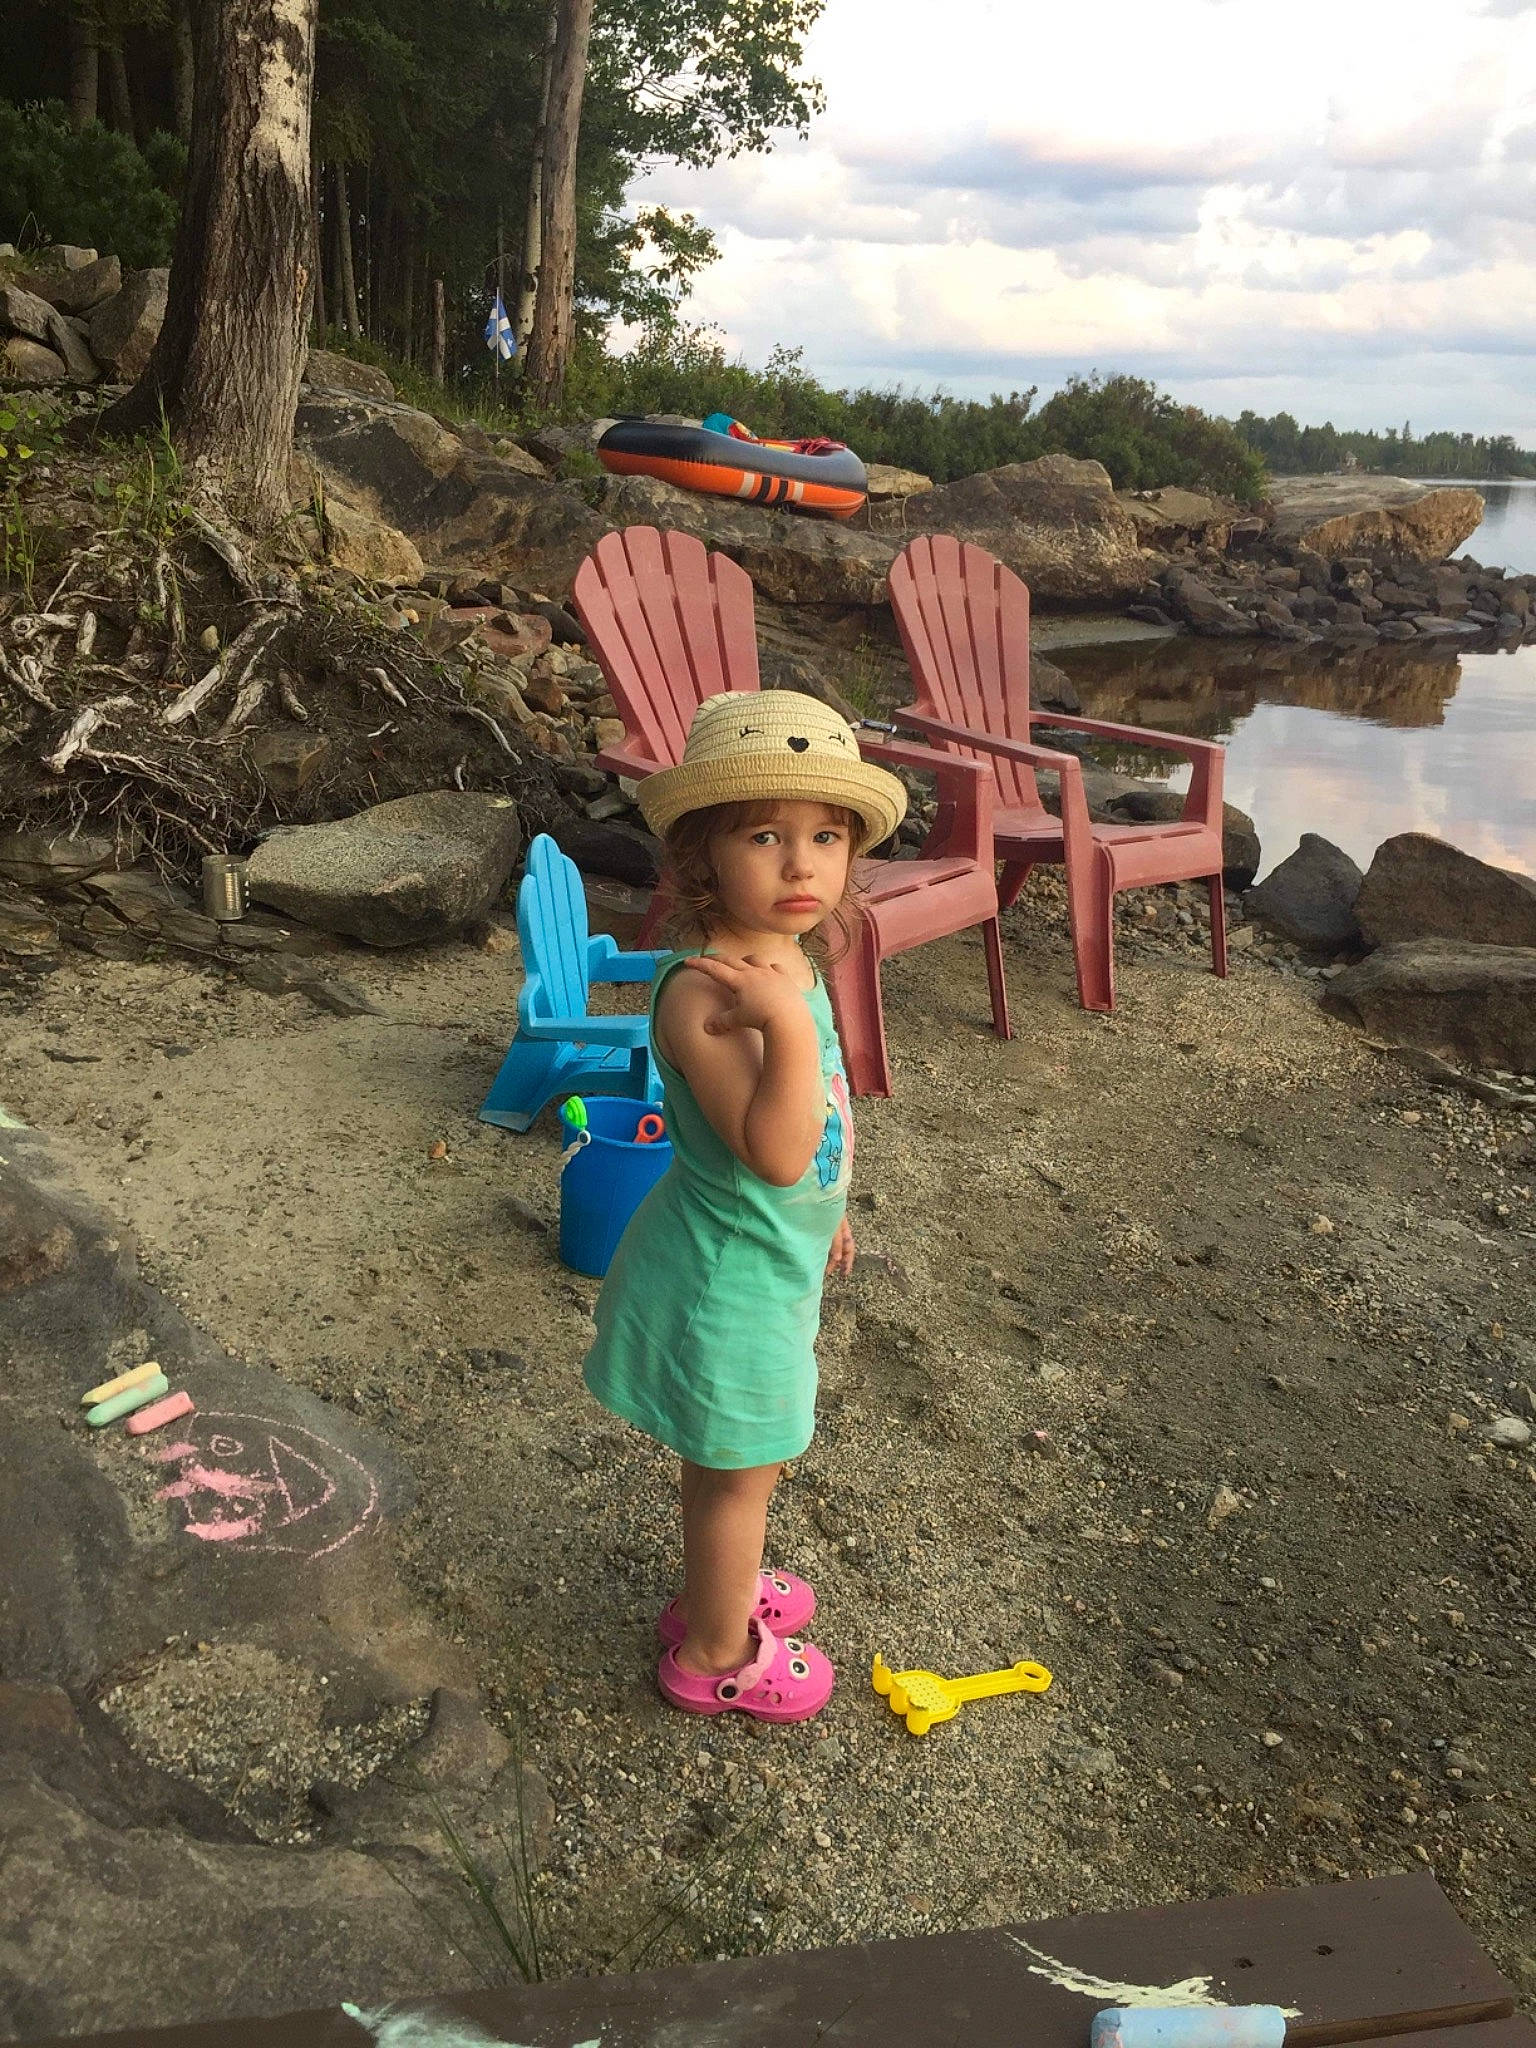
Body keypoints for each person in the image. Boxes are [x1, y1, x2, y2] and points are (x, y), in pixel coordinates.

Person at [581, 691, 907, 1723]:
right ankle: (718, 1649)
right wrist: (792, 1033)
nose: (803, 865)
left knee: (734, 1462)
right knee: (741, 1470)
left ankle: (710, 1588)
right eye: (766, 836)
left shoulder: (786, 953)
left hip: (773, 1253)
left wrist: (831, 1209)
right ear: (701, 855)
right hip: (726, 1275)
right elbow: (772, 1149)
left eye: (826, 837)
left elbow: (815, 1136)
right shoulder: (708, 990)